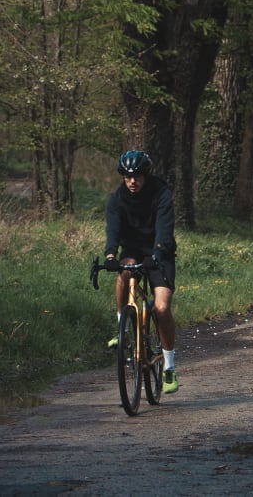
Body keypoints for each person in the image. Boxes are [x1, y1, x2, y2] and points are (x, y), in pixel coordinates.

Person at [103, 150, 179, 394]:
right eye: (127, 176)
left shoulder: (161, 193)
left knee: (161, 308)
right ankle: (122, 330)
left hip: (160, 251)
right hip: (134, 249)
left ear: (145, 175)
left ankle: (169, 367)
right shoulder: (117, 199)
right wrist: (110, 255)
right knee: (123, 275)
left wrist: (157, 253)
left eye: (136, 176)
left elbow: (164, 228)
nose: (132, 181)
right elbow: (113, 229)